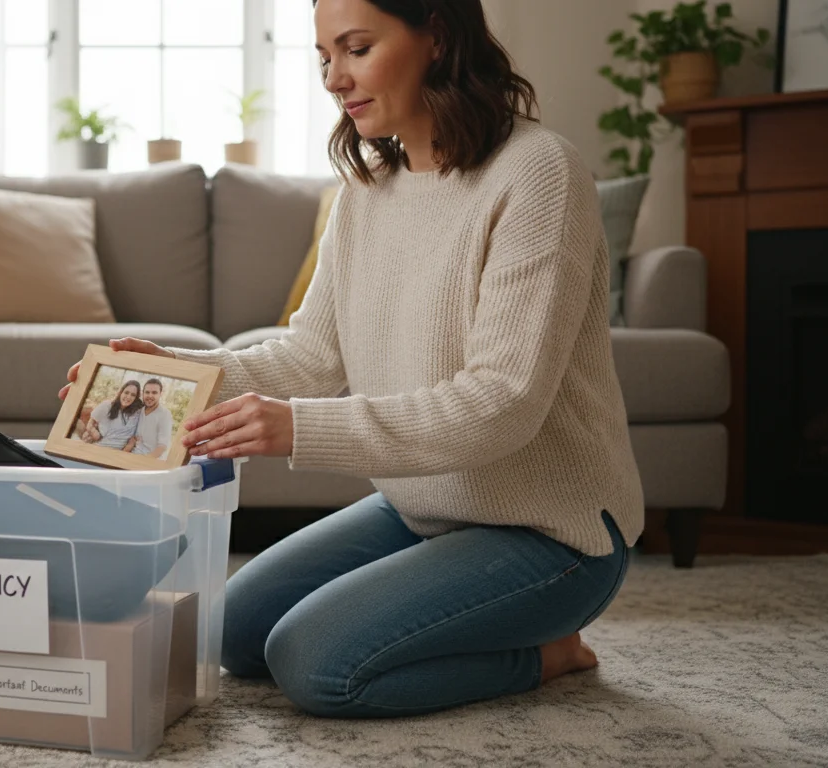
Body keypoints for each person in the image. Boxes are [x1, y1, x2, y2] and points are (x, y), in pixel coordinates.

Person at [60, 0, 644, 718]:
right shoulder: (368, 187)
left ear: (434, 35)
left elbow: (503, 401)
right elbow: (313, 353)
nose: (335, 77)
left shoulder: (538, 174)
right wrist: (180, 374)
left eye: (356, 48)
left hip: (552, 531)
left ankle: (550, 652)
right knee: (232, 632)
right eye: (324, 56)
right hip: (426, 506)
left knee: (316, 664)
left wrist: (298, 429)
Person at [82, 380, 144, 451]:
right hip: (100, 447)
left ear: (136, 398)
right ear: (121, 392)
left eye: (133, 395)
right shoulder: (107, 405)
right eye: (126, 393)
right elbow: (90, 424)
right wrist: (93, 431)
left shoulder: (135, 415)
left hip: (116, 454)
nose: (128, 397)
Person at [126, 378, 173, 459]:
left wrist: (144, 461)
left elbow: (162, 447)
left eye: (154, 393)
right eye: (147, 392)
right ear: (142, 393)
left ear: (160, 394)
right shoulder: (139, 411)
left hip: (150, 461)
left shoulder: (165, 414)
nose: (150, 396)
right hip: (133, 455)